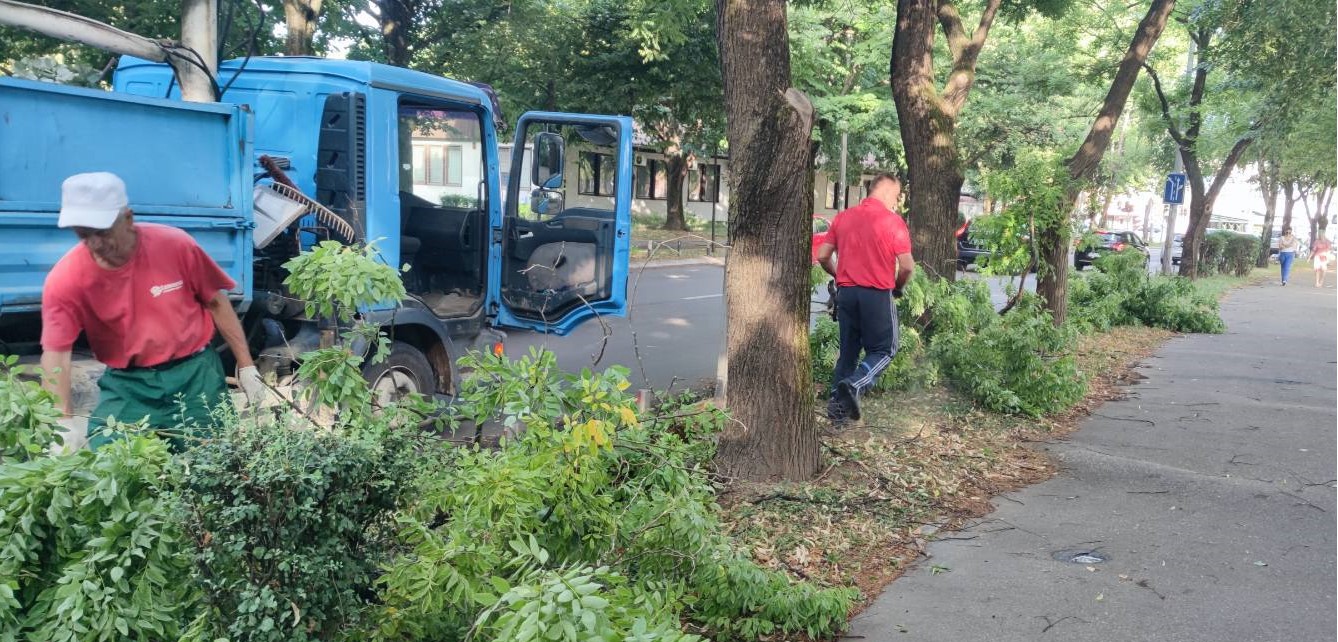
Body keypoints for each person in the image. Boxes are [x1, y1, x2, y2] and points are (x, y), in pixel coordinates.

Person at [39, 172, 266, 450]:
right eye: (84, 234)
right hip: (129, 386)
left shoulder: (175, 246)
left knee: (217, 460)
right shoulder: (67, 278)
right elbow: (57, 352)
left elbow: (218, 303)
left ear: (128, 219)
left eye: (102, 232)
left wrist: (246, 367)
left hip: (195, 376)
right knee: (111, 463)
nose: (95, 244)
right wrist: (62, 422)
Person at [815, 173, 915, 423]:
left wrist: (840, 277)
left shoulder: (843, 218)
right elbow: (906, 267)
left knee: (848, 354)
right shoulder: (892, 222)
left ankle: (837, 416)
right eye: (897, 195)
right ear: (887, 191)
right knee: (885, 349)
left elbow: (824, 255)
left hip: (846, 294)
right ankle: (854, 385)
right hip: (877, 294)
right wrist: (897, 288)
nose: (897, 200)